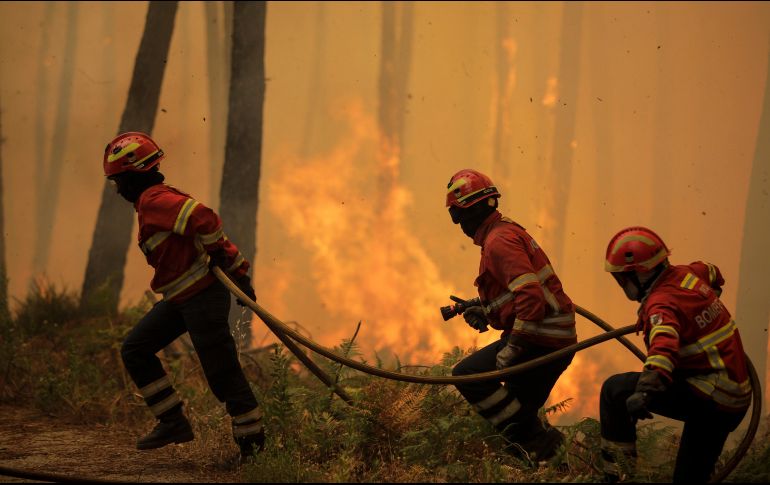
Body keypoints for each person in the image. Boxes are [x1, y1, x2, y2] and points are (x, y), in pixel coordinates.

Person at [103, 131, 265, 461]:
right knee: (136, 348)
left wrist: (234, 271)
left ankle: (254, 450)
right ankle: (173, 422)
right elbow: (208, 235)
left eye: (118, 180)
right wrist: (239, 273)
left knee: (222, 374)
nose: (118, 189)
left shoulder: (155, 200)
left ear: (133, 175)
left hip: (202, 298)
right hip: (181, 300)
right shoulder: (152, 202)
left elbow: (205, 219)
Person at [599, 226, 750, 483]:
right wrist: (708, 297)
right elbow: (712, 270)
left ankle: (618, 477)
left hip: (711, 399)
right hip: (730, 393)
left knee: (615, 390)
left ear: (640, 273)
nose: (621, 285)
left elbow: (663, 350)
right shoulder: (689, 274)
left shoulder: (662, 305)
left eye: (622, 278)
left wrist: (644, 392)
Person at [446, 169, 577, 464]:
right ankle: (550, 460)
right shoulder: (503, 233)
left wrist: (514, 347)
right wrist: (487, 311)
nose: (460, 225)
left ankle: (545, 444)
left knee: (469, 375)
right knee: (515, 419)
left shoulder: (499, 242)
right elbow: (517, 294)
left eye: (458, 216)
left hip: (542, 341)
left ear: (468, 213)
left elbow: (530, 297)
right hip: (550, 337)